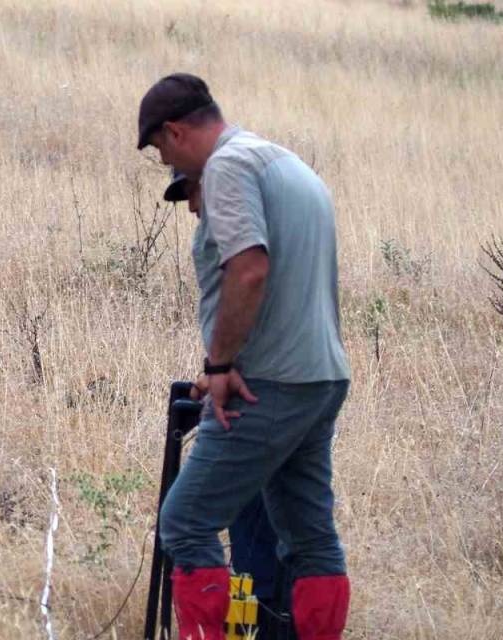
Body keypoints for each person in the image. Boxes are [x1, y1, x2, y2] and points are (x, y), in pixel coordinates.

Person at [138, 73, 352, 639]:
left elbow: (249, 269)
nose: (174, 175)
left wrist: (219, 366)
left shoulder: (229, 166)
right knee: (309, 539)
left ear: (176, 132)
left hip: (270, 384)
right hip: (321, 377)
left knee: (185, 523)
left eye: (163, 154)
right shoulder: (285, 162)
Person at [166, 171, 295, 639]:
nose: (192, 208)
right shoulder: (247, 239)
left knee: (208, 525)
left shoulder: (251, 249)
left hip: (266, 405)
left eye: (195, 193)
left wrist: (223, 373)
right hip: (273, 399)